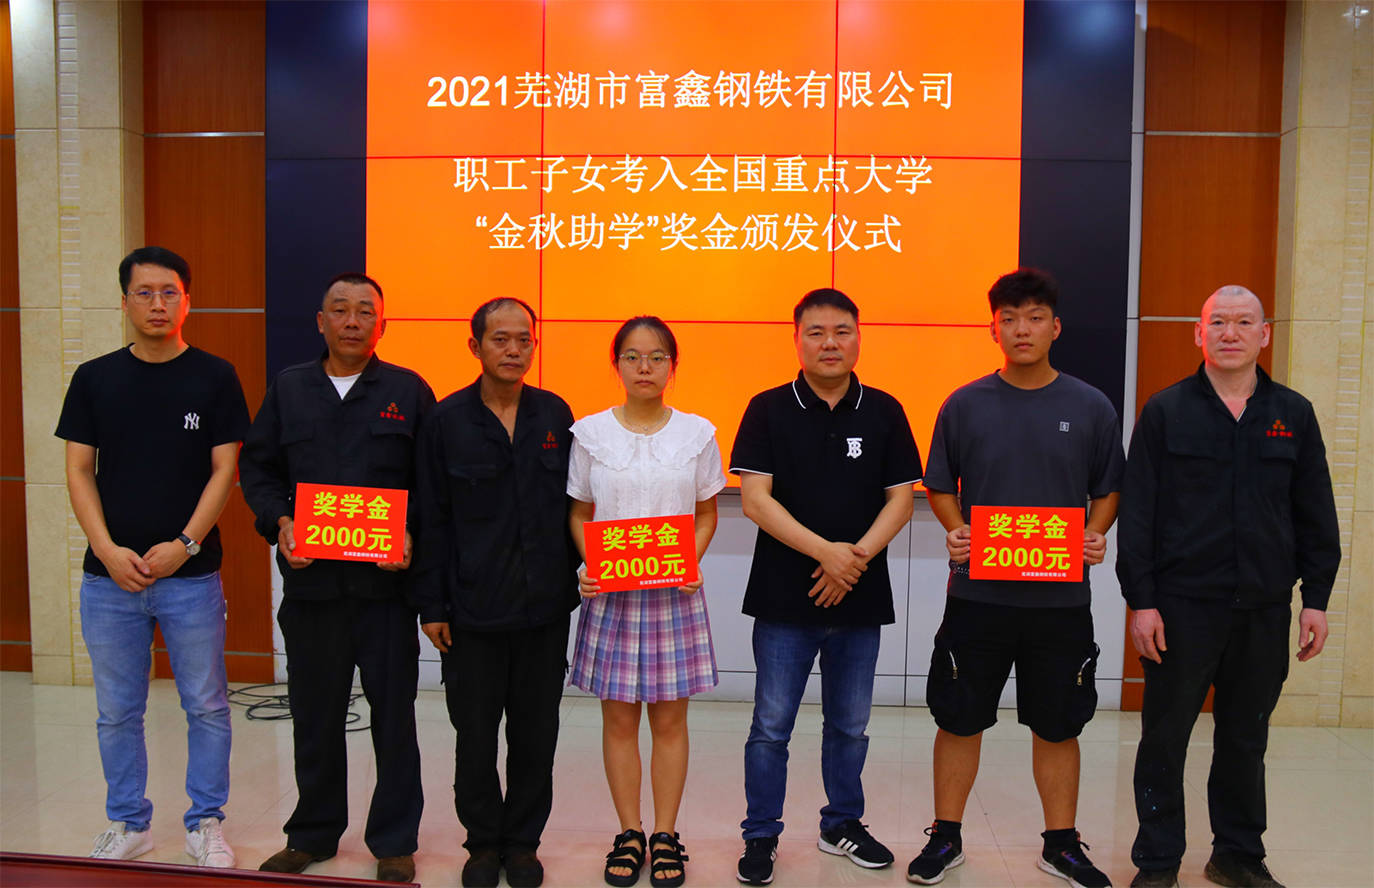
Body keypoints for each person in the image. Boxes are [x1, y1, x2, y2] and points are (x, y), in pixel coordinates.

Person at [1117, 285, 1340, 888]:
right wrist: (1142, 601)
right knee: (1164, 738)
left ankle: (1237, 855)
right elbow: (1138, 514)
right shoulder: (1166, 411)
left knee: (1246, 737)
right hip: (1182, 609)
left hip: (1263, 608)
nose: (1230, 333)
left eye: (1244, 323)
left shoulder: (1293, 414)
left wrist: (1316, 600)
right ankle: (1157, 861)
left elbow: (1315, 511)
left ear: (1264, 335)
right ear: (1199, 333)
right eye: (1218, 322)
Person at [908, 268, 1124, 888]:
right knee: (959, 717)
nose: (1021, 329)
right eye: (1009, 319)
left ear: (1055, 327)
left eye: (1034, 318)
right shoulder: (965, 403)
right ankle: (945, 836)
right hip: (977, 597)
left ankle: (1061, 844)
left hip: (1060, 602)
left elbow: (1108, 488)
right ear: (993, 329)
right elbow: (940, 485)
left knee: (1059, 723)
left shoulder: (1090, 405)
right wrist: (956, 529)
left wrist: (1095, 533)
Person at [55, 246, 249, 868]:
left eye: (170, 292)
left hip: (191, 577)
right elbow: (79, 470)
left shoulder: (215, 376)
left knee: (207, 705)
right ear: (124, 302)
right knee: (117, 711)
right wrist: (107, 550)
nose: (157, 304)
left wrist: (185, 544)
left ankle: (206, 821)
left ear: (187, 301)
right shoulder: (94, 378)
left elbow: (224, 471)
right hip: (109, 580)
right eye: (144, 293)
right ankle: (127, 821)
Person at [238, 272, 435, 883]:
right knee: (315, 716)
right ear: (320, 321)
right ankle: (312, 833)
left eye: (365, 311)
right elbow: (259, 470)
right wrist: (280, 522)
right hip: (313, 590)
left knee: (394, 719)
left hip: (385, 594)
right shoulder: (290, 388)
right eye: (341, 310)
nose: (353, 321)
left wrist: (411, 534)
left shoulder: (408, 390)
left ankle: (394, 840)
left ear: (383, 324)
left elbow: (431, 484)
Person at [731, 288, 922, 886]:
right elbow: (755, 500)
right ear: (797, 340)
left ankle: (842, 824)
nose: (830, 343)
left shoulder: (884, 410)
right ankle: (760, 834)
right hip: (784, 599)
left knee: (850, 725)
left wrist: (853, 561)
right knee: (771, 727)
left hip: (859, 597)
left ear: (859, 337)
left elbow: (900, 500)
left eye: (842, 331)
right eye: (816, 332)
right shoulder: (767, 408)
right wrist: (826, 554)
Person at [410, 298, 578, 888]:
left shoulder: (555, 415)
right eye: (500, 339)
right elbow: (430, 516)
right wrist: (431, 605)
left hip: (543, 610)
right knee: (475, 738)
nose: (513, 350)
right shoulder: (446, 421)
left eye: (523, 340)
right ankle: (482, 844)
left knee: (536, 736)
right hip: (471, 612)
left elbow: (577, 509)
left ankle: (523, 844)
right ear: (475, 346)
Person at [567, 316, 727, 888]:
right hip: (612, 594)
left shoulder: (697, 433)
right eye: (632, 356)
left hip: (673, 595)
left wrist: (691, 560)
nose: (644, 367)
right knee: (617, 720)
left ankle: (665, 834)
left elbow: (706, 513)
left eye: (657, 357)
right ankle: (628, 832)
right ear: (617, 364)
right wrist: (589, 562)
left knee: (670, 720)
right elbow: (580, 511)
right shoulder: (589, 434)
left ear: (672, 366)